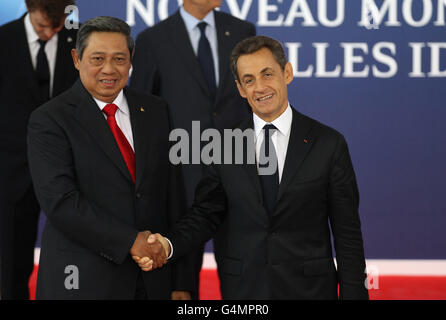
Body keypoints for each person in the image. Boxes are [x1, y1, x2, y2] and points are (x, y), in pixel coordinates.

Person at [137, 36, 369, 300]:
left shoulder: (328, 143)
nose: (260, 88)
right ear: (239, 88)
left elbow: (347, 233)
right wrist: (168, 245)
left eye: (267, 74)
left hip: (310, 290)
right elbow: (205, 214)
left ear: (287, 73)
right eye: (249, 80)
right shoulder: (221, 146)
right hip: (245, 292)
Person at [27, 16, 194, 300]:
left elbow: (173, 197)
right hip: (81, 281)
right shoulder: (49, 119)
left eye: (119, 58)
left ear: (131, 61)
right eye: (97, 58)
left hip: (152, 279)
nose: (109, 69)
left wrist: (181, 280)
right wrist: (132, 241)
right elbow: (62, 202)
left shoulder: (155, 110)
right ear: (77, 59)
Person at [130, 0, 256, 298]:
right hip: (180, 175)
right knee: (181, 285)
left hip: (237, 167)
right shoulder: (153, 40)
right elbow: (142, 114)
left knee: (243, 272)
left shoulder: (242, 31)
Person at [0, 0, 78, 299]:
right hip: (11, 172)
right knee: (11, 261)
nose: (49, 33)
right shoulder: (3, 41)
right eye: (43, 25)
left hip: (67, 170)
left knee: (73, 254)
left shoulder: (79, 41)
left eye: (56, 27)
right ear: (29, 8)